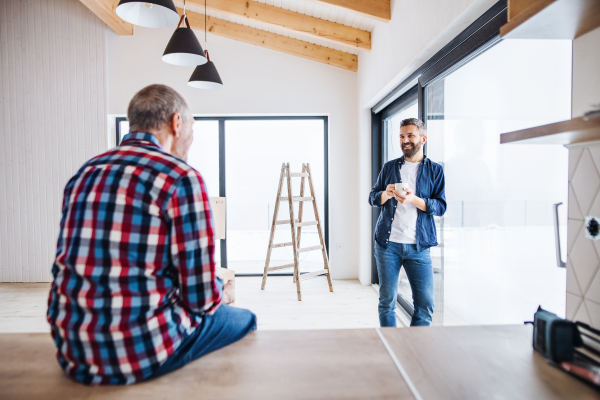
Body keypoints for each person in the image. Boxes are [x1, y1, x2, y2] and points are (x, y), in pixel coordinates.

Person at [47, 84, 256, 385]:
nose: (192, 138)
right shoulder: (181, 177)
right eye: (192, 127)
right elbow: (200, 300)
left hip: (72, 349)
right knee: (244, 319)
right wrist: (222, 292)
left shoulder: (84, 173)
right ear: (177, 123)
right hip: (139, 352)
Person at [368, 118, 446, 327]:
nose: (405, 140)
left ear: (423, 138)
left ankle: (414, 350)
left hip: (419, 246)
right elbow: (373, 198)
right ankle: (392, 348)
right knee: (387, 301)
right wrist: (386, 193)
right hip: (387, 245)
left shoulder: (435, 170)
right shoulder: (389, 167)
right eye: (402, 136)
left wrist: (414, 200)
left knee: (425, 305)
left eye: (410, 135)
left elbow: (440, 206)